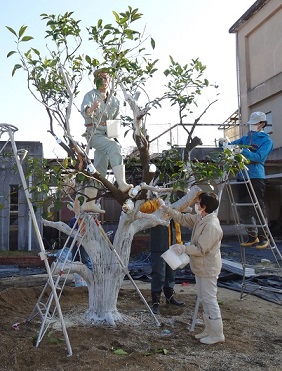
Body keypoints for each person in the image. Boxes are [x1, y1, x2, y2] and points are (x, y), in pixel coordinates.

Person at [159, 192, 225, 345]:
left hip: (208, 268)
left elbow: (201, 249)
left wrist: (183, 248)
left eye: (198, 202)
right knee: (204, 298)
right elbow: (183, 218)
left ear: (204, 207)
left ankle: (217, 333)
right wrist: (166, 208)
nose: (195, 205)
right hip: (201, 267)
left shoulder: (212, 225)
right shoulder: (201, 218)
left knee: (210, 299)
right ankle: (209, 330)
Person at [81, 69, 132, 213]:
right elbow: (85, 112)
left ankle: (88, 203)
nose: (103, 80)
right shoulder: (90, 95)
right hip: (94, 135)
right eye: (100, 77)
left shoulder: (115, 100)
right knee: (114, 147)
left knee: (99, 170)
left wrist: (113, 135)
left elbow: (115, 122)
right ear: (95, 79)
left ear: (110, 80)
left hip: (107, 135)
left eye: (106, 78)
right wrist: (92, 108)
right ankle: (121, 183)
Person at [220, 111, 273, 248]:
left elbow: (259, 158)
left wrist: (242, 151)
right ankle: (252, 236)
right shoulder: (245, 138)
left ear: (262, 124)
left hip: (255, 176)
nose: (252, 126)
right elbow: (231, 146)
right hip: (242, 176)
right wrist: (224, 144)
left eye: (255, 123)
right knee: (243, 208)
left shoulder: (266, 140)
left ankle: (263, 237)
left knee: (257, 207)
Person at [139, 199, 185, 315]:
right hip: (159, 246)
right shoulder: (154, 206)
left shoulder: (172, 206)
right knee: (158, 274)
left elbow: (177, 227)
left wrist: (179, 243)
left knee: (171, 273)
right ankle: (156, 303)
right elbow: (143, 207)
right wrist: (156, 202)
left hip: (171, 245)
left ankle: (169, 297)